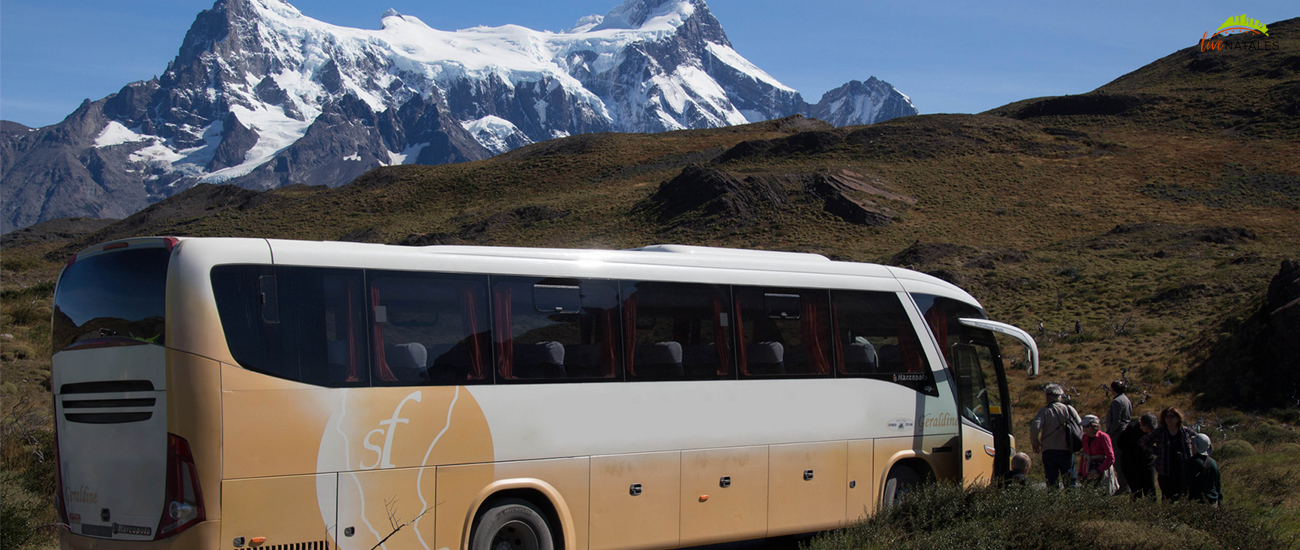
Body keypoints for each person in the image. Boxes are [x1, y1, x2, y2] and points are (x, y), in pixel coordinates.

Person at [1140, 406, 1198, 502]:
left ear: (1178, 418)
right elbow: (1143, 442)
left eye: (1172, 416)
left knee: (1185, 497)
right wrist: (1157, 451)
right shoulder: (1160, 432)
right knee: (1167, 498)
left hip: (1183, 471)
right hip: (1166, 471)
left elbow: (1199, 441)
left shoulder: (1186, 432)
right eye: (1167, 416)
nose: (1169, 419)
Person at [1030, 384, 1082, 488]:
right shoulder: (1069, 409)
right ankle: (1072, 503)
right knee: (1070, 482)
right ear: (1060, 396)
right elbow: (1080, 425)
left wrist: (1035, 441)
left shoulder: (1044, 411)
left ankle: (1053, 503)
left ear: (1047, 397)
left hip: (1049, 450)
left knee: (1052, 482)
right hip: (1067, 449)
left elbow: (1035, 427)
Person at [1118, 412, 1159, 499]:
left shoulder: (1153, 432)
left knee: (1150, 490)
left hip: (1147, 463)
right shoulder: (1131, 429)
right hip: (1131, 463)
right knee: (1136, 491)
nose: (1149, 431)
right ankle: (1136, 510)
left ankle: (1152, 510)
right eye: (1147, 429)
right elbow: (1120, 443)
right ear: (1141, 423)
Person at [1105, 380, 1133, 494]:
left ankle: (1124, 486)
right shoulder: (1126, 399)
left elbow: (1116, 420)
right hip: (1125, 432)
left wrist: (1109, 433)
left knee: (1118, 460)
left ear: (1113, 389)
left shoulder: (1116, 401)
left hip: (1117, 434)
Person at [1078, 415, 1116, 492]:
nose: (1084, 429)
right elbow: (1084, 455)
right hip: (1087, 472)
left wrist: (1098, 470)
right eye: (1083, 427)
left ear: (1094, 426)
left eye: (1087, 426)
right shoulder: (1085, 437)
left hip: (1101, 472)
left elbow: (1111, 458)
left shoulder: (1103, 437)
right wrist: (1080, 473)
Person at [1183, 433, 1221, 505]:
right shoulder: (1213, 463)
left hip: (1196, 502)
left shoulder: (1190, 463)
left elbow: (1186, 484)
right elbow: (1218, 485)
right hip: (1212, 501)